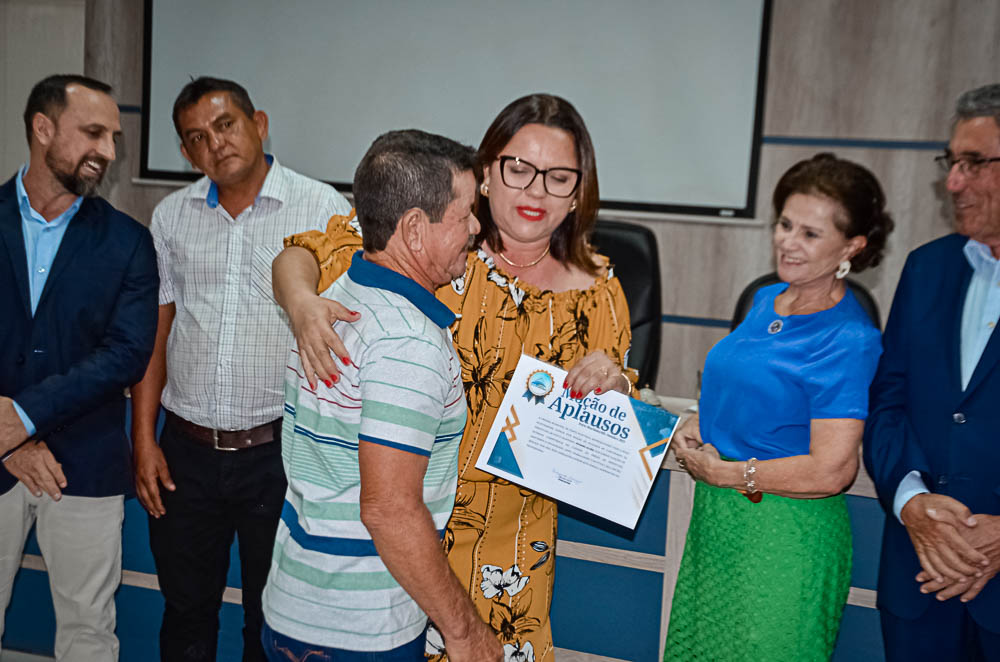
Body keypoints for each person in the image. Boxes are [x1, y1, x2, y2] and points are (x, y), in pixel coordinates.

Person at [272, 94, 635, 660]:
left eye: (559, 177)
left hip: (511, 553)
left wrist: (614, 385)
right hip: (403, 542)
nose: (536, 191)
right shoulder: (439, 243)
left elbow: (609, 428)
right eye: (519, 170)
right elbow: (304, 252)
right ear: (487, 172)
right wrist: (299, 304)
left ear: (579, 190)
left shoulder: (598, 292)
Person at [130, 77, 352, 662]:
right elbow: (159, 330)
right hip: (186, 455)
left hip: (278, 456)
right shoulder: (171, 216)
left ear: (259, 122)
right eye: (197, 138)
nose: (215, 144)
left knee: (271, 619)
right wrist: (143, 441)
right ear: (185, 153)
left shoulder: (323, 207)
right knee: (185, 616)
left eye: (225, 125)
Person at [260, 129, 499, 661]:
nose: (477, 229)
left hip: (295, 605)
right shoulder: (406, 343)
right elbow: (390, 510)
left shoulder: (336, 296)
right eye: (465, 215)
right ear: (415, 229)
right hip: (360, 631)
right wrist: (464, 631)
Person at [665, 153, 893, 661]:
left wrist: (724, 475)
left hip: (786, 536)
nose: (788, 241)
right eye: (785, 224)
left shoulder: (849, 339)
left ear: (851, 247)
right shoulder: (766, 300)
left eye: (810, 234)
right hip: (719, 527)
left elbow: (832, 470)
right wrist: (703, 424)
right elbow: (756, 395)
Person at [0, 74, 158, 660]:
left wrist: (22, 416)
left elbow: (125, 354)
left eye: (114, 137)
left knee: (89, 633)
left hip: (85, 468)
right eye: (94, 133)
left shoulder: (129, 243)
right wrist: (8, 437)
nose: (109, 152)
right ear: (43, 129)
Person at [863, 83, 1000, 661]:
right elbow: (888, 403)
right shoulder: (925, 268)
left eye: (973, 163)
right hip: (919, 578)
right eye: (951, 161)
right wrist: (911, 503)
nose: (952, 182)